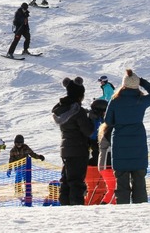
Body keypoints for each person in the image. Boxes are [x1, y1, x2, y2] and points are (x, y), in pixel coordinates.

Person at [103, 69, 150, 204]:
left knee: (121, 182)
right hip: (138, 143)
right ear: (136, 85)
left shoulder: (115, 101)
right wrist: (143, 82)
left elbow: (108, 121)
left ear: (124, 85)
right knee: (139, 180)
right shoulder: (141, 101)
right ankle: (140, 210)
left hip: (119, 144)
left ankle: (123, 211)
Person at [51, 77, 94, 206]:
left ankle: (65, 205)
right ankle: (76, 207)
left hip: (66, 149)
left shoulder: (61, 110)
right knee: (76, 181)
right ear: (79, 95)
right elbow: (88, 131)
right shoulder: (78, 111)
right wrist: (91, 119)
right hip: (78, 149)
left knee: (66, 180)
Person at [6, 135, 44, 200]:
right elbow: (11, 160)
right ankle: (18, 192)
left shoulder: (25, 148)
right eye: (17, 143)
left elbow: (32, 154)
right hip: (17, 167)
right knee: (18, 178)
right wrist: (9, 169)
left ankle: (28, 192)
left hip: (26, 166)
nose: (18, 145)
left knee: (26, 179)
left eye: (20, 143)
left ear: (22, 143)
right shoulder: (13, 150)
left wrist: (39, 157)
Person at [86, 98, 109, 205]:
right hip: (97, 146)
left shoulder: (95, 117)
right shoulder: (95, 119)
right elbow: (94, 134)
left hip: (98, 146)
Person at [96, 121, 116, 205]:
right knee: (114, 189)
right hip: (107, 164)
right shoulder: (111, 130)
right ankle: (104, 206)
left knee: (113, 188)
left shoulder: (106, 129)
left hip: (105, 164)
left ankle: (108, 206)